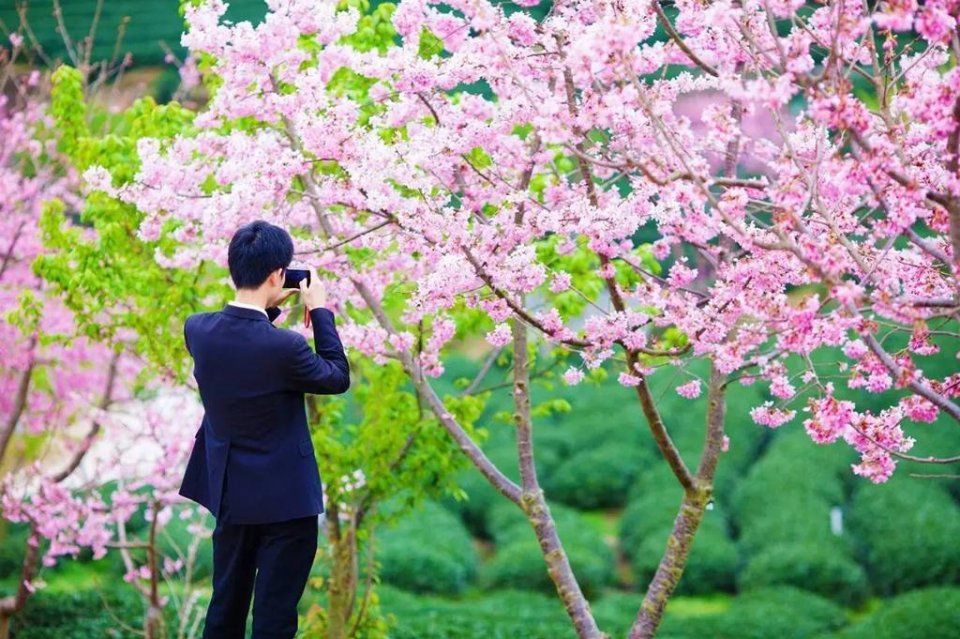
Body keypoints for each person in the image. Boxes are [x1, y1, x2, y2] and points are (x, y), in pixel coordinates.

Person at [178, 220, 350, 638]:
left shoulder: (197, 329)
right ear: (278, 275)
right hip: (286, 505)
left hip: (231, 496)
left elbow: (243, 338)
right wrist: (320, 311)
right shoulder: (285, 347)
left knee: (226, 606)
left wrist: (269, 305)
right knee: (274, 615)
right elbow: (336, 376)